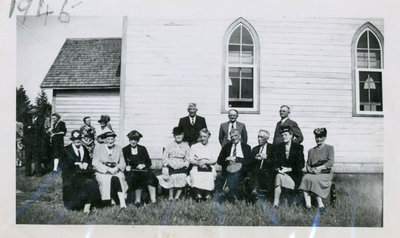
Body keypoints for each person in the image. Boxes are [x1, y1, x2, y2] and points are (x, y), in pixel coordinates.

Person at [61, 130, 101, 214]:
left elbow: (88, 161)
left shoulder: (84, 149)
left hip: (84, 173)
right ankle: (75, 205)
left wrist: (86, 163)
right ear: (72, 140)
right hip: (71, 174)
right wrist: (76, 164)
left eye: (79, 139)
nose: (77, 141)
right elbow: (64, 164)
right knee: (75, 184)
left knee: (92, 182)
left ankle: (87, 206)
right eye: (75, 139)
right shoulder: (66, 149)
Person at [299, 128, 334, 212]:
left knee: (314, 180)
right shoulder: (311, 151)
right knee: (305, 178)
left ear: (325, 137)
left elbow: (330, 163)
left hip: (325, 173)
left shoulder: (329, 148)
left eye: (321, 137)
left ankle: (320, 204)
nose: (318, 139)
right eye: (317, 137)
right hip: (313, 173)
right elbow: (308, 164)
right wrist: (310, 169)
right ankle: (308, 205)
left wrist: (319, 168)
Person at [92, 131, 128, 210]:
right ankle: (108, 200)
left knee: (119, 178)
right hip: (103, 171)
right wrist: (107, 169)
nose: (110, 141)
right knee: (105, 180)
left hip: (115, 170)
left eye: (112, 139)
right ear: (104, 140)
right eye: (108, 139)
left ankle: (122, 202)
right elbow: (96, 162)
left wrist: (117, 168)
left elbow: (122, 162)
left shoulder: (118, 148)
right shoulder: (98, 148)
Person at [122, 130, 158, 206]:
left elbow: (149, 162)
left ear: (138, 140)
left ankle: (153, 200)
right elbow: (122, 162)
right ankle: (137, 200)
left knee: (151, 176)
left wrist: (143, 165)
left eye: (135, 139)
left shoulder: (142, 149)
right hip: (131, 171)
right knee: (136, 178)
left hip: (142, 170)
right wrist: (126, 167)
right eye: (131, 139)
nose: (133, 141)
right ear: (129, 140)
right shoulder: (125, 150)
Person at [272, 126, 305, 208]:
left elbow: (301, 164)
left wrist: (289, 169)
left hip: (295, 175)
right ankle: (275, 204)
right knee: (278, 176)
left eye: (286, 135)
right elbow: (275, 162)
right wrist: (278, 168)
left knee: (278, 177)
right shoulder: (279, 147)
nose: (284, 137)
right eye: (282, 135)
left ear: (291, 135)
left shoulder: (298, 147)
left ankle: (277, 202)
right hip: (282, 173)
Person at [216, 129, 252, 202]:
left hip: (242, 169)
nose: (233, 138)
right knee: (233, 173)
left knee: (236, 173)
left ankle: (225, 192)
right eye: (231, 136)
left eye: (235, 136)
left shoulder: (246, 147)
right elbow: (219, 160)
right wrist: (227, 158)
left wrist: (237, 159)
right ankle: (231, 196)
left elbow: (249, 161)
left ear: (240, 136)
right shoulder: (226, 147)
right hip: (228, 169)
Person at [157, 127, 191, 201]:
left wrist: (182, 165)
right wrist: (170, 164)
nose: (178, 137)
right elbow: (165, 157)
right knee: (171, 176)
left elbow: (188, 158)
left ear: (183, 135)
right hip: (171, 164)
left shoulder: (186, 146)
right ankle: (171, 196)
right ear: (174, 136)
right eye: (176, 135)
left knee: (182, 176)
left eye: (180, 135)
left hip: (181, 165)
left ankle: (177, 196)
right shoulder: (169, 145)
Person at [187, 128, 218, 202]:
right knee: (195, 174)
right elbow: (191, 159)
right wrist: (199, 163)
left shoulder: (213, 147)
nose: (203, 138)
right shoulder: (195, 146)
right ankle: (198, 195)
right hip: (197, 165)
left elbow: (215, 159)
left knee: (210, 175)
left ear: (209, 137)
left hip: (209, 166)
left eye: (205, 136)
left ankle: (207, 194)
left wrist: (205, 162)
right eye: (201, 136)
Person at [248, 130, 275, 202]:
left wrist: (266, 158)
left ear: (267, 139)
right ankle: (254, 191)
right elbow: (250, 163)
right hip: (256, 171)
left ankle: (255, 192)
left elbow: (274, 162)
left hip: (268, 171)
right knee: (253, 173)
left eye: (261, 137)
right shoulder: (255, 149)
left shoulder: (272, 148)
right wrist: (255, 159)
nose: (259, 139)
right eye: (258, 137)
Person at [23, 107, 46, 176]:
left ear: (36, 113)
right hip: (28, 142)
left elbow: (38, 129)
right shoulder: (28, 119)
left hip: (37, 142)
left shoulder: (41, 119)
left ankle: (38, 172)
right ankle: (28, 173)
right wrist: (30, 127)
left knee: (37, 158)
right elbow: (25, 129)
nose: (32, 115)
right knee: (28, 158)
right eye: (31, 114)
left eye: (33, 113)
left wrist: (30, 127)